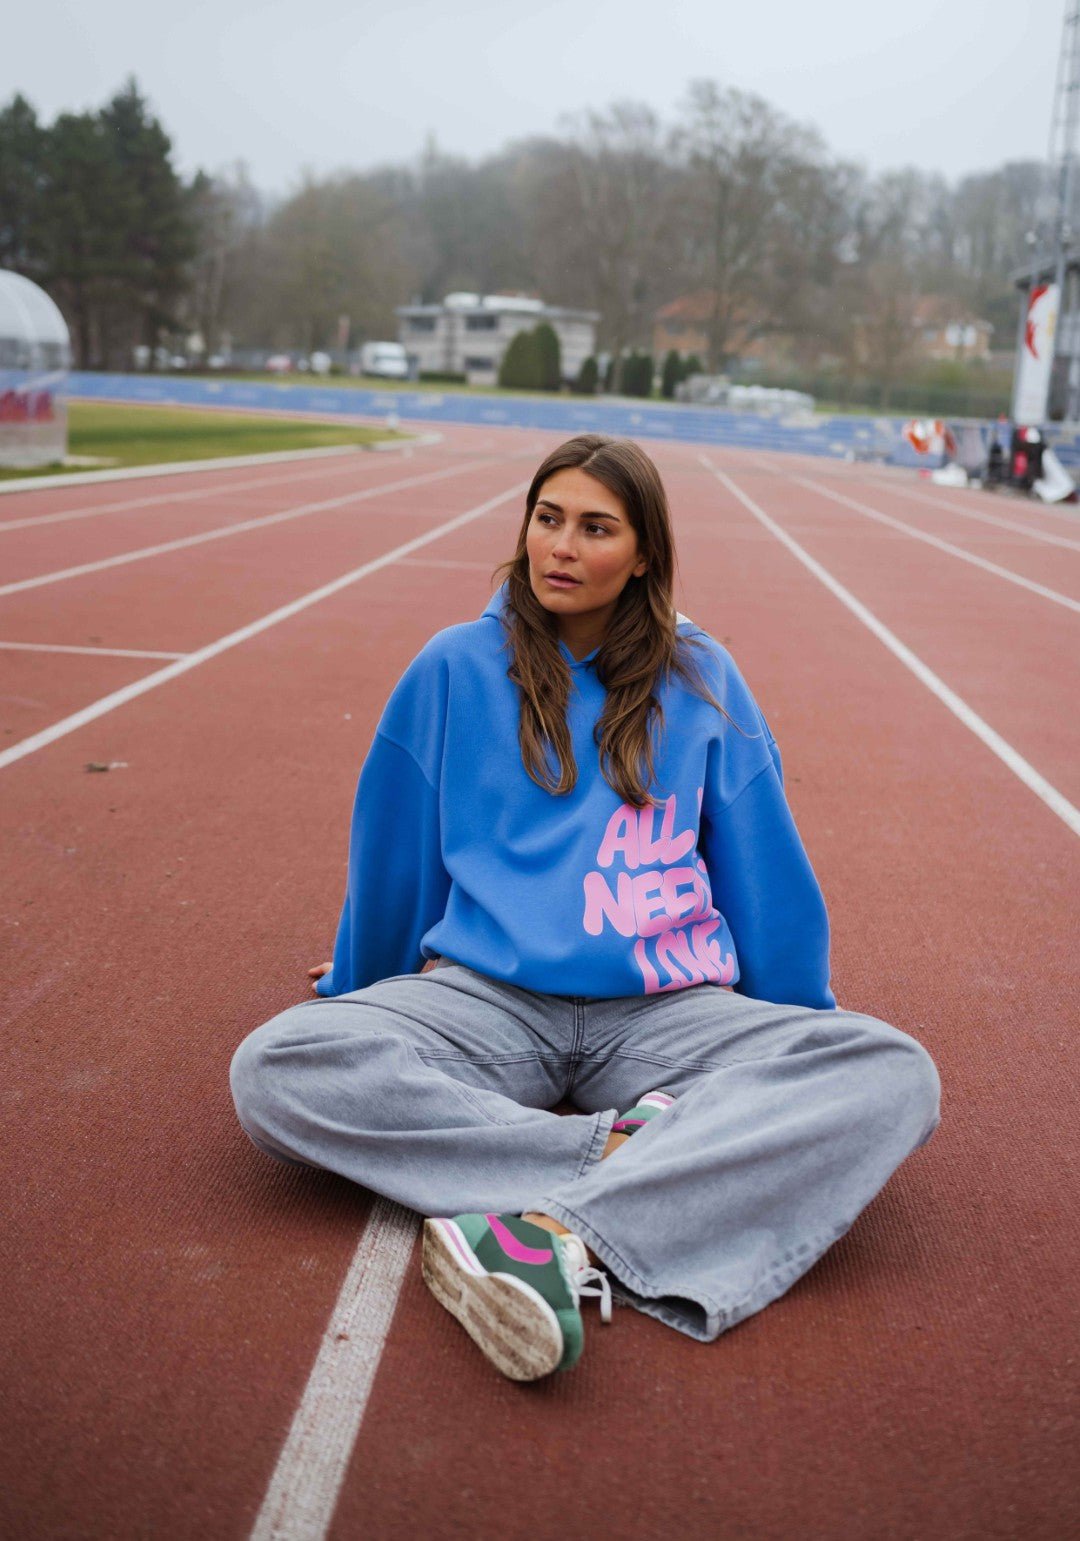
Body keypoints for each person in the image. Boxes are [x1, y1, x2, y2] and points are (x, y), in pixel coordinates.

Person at [230, 435, 940, 1383]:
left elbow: (761, 862)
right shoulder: (453, 667)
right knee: (279, 1065)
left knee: (891, 1071)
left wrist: (798, 1020)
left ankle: (544, 1230)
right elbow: (392, 847)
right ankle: (621, 1158)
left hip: (664, 1007)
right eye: (547, 519)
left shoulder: (702, 678)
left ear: (643, 554)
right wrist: (363, 981)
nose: (561, 546)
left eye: (596, 528)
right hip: (492, 998)